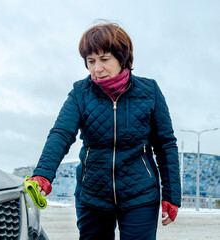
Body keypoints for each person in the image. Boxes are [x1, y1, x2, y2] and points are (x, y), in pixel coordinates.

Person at [29, 22, 181, 240]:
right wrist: (43, 173)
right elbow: (61, 133)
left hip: (140, 194)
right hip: (93, 194)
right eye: (91, 61)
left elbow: (165, 144)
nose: (96, 69)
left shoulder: (150, 91)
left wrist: (172, 194)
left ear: (122, 58)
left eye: (104, 59)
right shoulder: (80, 93)